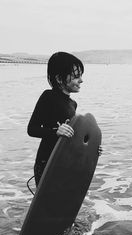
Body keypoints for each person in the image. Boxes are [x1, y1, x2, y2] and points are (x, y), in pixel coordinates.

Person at [28, 52, 88, 187]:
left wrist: (91, 147)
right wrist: (55, 131)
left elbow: (71, 135)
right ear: (59, 79)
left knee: (63, 205)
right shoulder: (48, 97)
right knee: (46, 206)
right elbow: (32, 129)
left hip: (65, 160)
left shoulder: (73, 104)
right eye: (76, 76)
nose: (81, 80)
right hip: (46, 162)